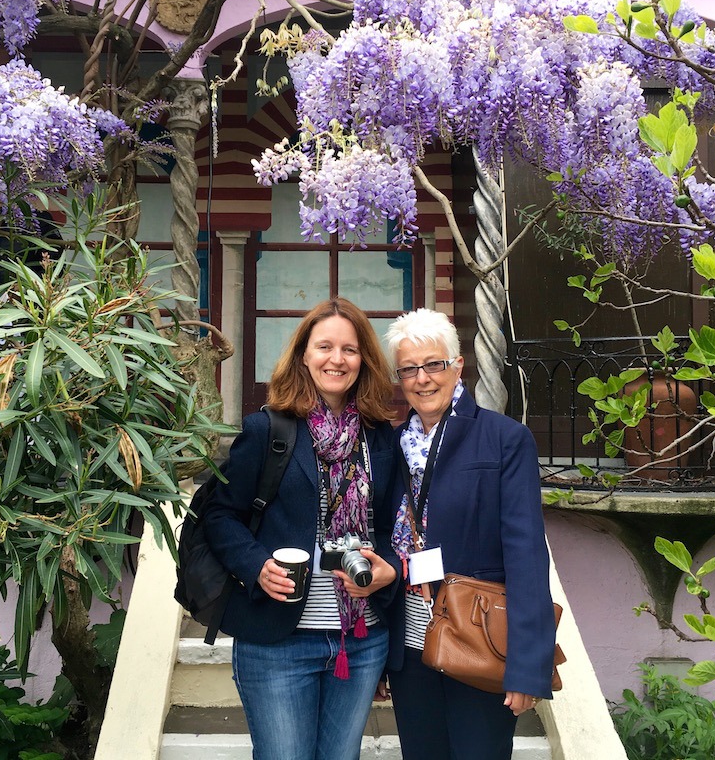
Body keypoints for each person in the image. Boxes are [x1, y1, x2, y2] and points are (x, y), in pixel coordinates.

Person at [203, 297, 401, 760]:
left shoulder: (380, 438)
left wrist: (389, 568)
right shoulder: (267, 430)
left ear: (364, 360)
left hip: (362, 639)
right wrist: (256, 566)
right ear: (303, 355)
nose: (337, 359)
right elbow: (219, 514)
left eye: (349, 349)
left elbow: (392, 527)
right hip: (279, 641)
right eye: (325, 346)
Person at [381, 308, 554, 760]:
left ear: (458, 365)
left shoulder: (504, 440)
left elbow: (527, 554)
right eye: (409, 370)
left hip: (479, 638)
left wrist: (527, 667)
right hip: (411, 642)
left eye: (433, 364)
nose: (422, 379)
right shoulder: (390, 445)